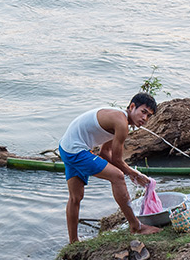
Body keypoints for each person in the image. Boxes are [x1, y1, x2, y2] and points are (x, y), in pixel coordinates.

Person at [59, 92, 158, 248]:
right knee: (118, 176)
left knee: (76, 197)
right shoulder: (121, 123)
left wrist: (130, 172)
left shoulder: (118, 118)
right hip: (75, 150)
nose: (145, 118)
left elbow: (105, 153)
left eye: (149, 116)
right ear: (132, 107)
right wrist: (134, 174)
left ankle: (73, 242)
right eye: (143, 112)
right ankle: (136, 226)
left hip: (66, 147)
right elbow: (117, 161)